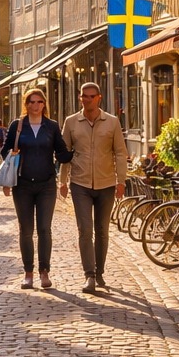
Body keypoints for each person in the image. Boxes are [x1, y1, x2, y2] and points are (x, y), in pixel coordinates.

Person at [60, 82, 128, 294]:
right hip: (80, 183)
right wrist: (62, 181)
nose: (87, 99)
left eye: (91, 96)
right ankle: (89, 275)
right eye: (84, 96)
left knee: (102, 231)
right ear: (80, 98)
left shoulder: (112, 122)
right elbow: (65, 154)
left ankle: (99, 273)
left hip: (106, 183)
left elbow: (120, 152)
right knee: (85, 230)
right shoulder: (71, 122)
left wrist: (121, 180)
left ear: (99, 98)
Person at [3, 90, 70, 289]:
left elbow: (61, 151)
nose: (36, 105)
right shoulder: (17, 125)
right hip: (22, 184)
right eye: (32, 102)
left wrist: (75, 153)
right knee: (26, 230)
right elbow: (4, 150)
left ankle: (44, 272)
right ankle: (28, 272)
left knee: (44, 229)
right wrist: (11, 152)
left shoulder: (51, 126)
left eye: (40, 102)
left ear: (44, 104)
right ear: (26, 104)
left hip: (46, 183)